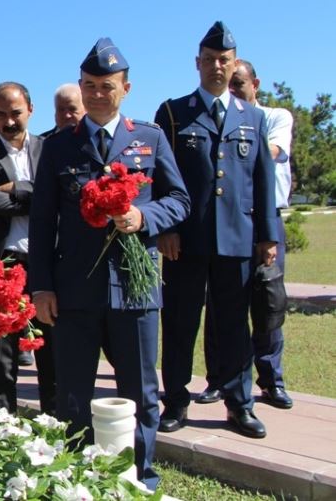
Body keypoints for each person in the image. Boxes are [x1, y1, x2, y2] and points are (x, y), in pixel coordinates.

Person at [29, 38, 189, 490]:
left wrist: (143, 217)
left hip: (135, 292)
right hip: (75, 290)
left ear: (126, 87)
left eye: (107, 86)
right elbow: (42, 224)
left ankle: (142, 475)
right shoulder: (58, 147)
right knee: (74, 394)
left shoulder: (150, 138)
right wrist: (41, 287)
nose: (98, 94)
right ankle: (79, 478)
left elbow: (180, 200)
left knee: (140, 391)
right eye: (89, 86)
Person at [155, 22, 278, 439]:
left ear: (234, 63)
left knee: (233, 327)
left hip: (238, 241)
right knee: (179, 323)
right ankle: (174, 401)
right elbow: (161, 177)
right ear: (197, 63)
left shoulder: (253, 117)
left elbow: (262, 181)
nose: (216, 66)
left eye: (224, 60)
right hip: (185, 242)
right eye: (209, 60)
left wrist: (268, 235)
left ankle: (239, 405)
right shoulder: (173, 113)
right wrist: (165, 229)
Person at [197, 59, 294, 409]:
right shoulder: (214, 118)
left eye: (240, 84)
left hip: (266, 221)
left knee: (268, 301)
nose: (234, 89)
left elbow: (272, 153)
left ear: (256, 83)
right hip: (229, 221)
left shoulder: (272, 117)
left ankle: (270, 380)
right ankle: (218, 380)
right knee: (221, 304)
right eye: (231, 84)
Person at [0, 81, 55, 414]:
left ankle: (52, 421)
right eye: (0, 114)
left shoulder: (50, 149)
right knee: (2, 352)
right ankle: (4, 423)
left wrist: (15, 187)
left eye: (15, 112)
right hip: (1, 263)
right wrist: (41, 197)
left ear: (30, 109)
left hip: (47, 262)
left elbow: (58, 197)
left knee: (50, 348)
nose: (9, 121)